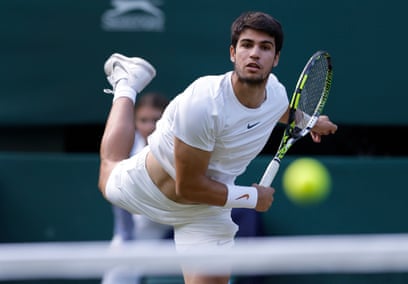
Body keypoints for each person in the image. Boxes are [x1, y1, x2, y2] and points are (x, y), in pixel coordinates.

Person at [98, 11, 338, 284]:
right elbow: (187, 186)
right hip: (149, 188)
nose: (255, 54)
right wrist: (251, 197)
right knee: (109, 169)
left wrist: (311, 121)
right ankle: (126, 84)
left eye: (265, 47)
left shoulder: (277, 93)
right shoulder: (204, 103)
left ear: (276, 58)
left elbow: (280, 111)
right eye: (247, 45)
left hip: (207, 209)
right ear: (233, 53)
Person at [102, 92, 171, 284]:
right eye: (143, 120)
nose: (150, 126)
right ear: (134, 121)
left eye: (156, 119)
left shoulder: (180, 145)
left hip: (178, 222)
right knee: (117, 270)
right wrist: (125, 235)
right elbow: (118, 193)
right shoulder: (127, 145)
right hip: (137, 226)